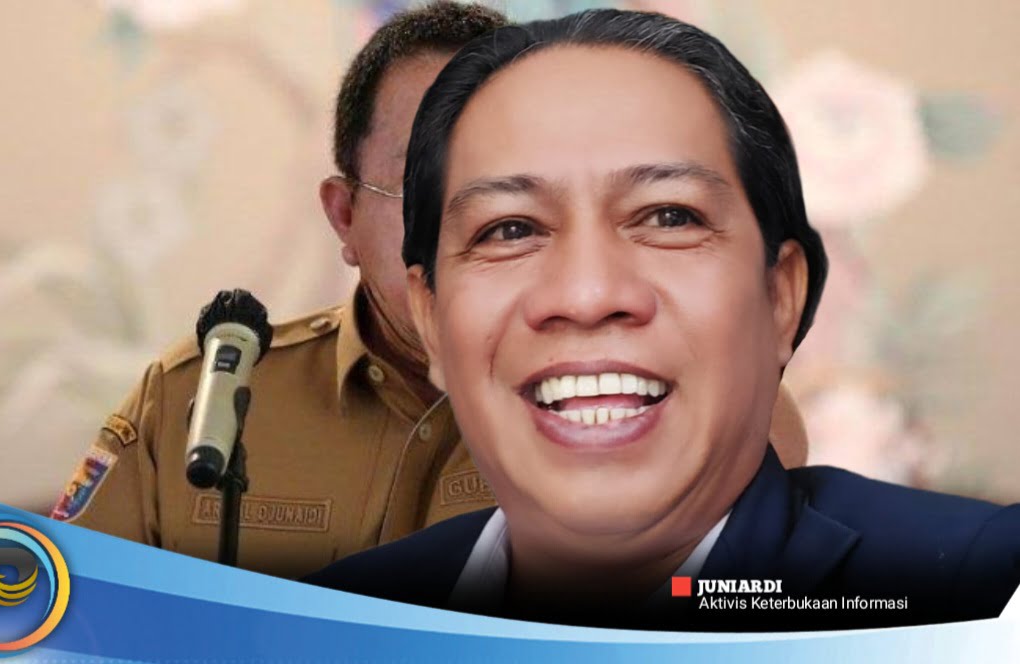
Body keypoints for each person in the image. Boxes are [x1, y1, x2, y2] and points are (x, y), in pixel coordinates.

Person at [304, 9, 1020, 629]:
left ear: (781, 296)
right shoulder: (331, 623)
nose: (587, 294)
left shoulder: (979, 590)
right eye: (510, 229)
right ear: (430, 319)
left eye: (669, 217)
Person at [50, 2, 509, 580]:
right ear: (344, 216)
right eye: (421, 187)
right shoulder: (195, 405)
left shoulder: (612, 414)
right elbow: (53, 612)